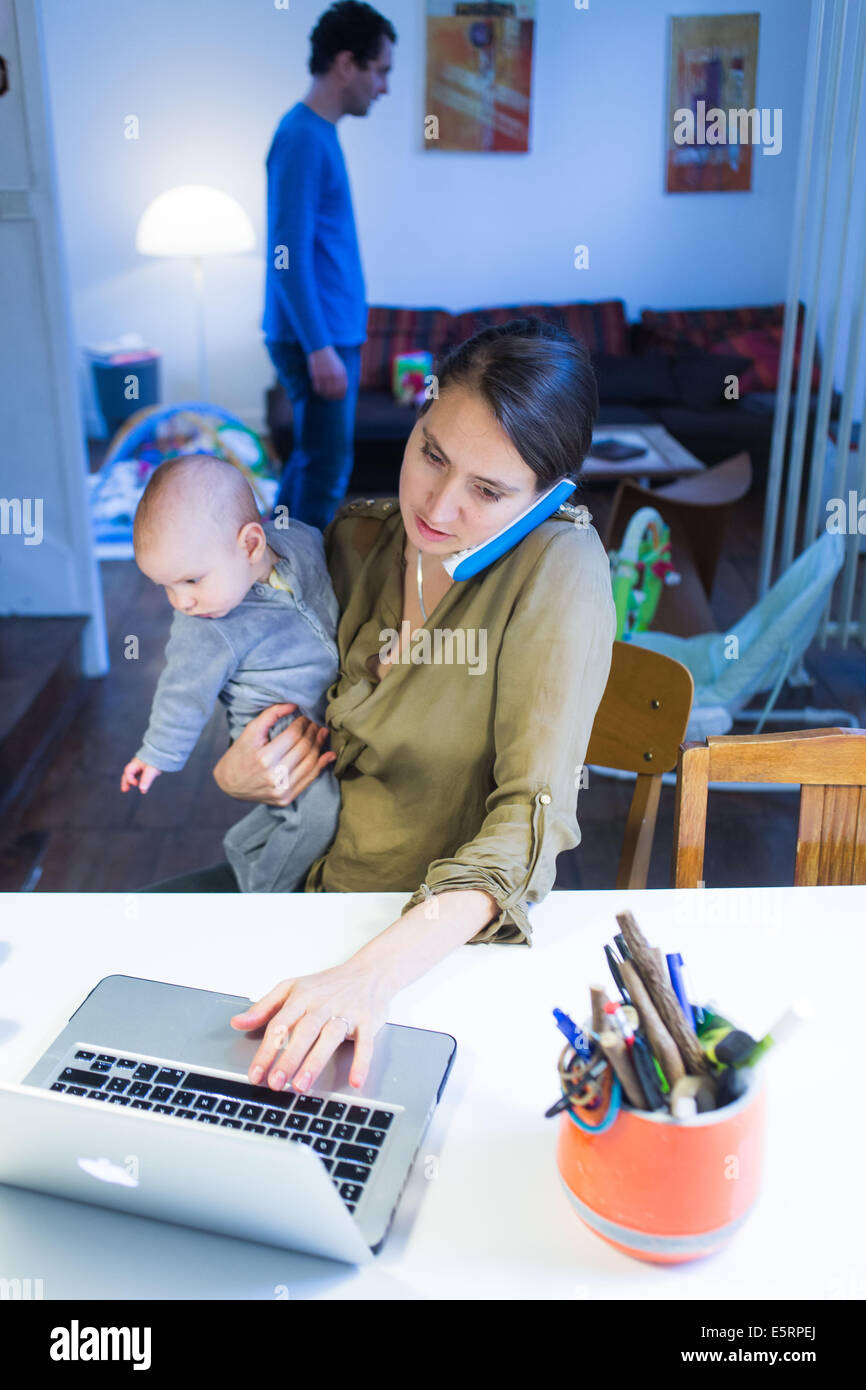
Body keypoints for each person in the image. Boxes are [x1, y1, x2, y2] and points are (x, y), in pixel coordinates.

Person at [145, 320, 617, 1110]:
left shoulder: (558, 571)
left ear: (549, 498)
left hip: (417, 943)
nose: (437, 504)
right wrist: (237, 770)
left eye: (489, 491)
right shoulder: (361, 536)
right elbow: (231, 648)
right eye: (432, 452)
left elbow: (530, 824)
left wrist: (365, 976)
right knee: (111, 972)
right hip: (300, 891)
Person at [122, 454, 341, 893]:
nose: (179, 601)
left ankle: (243, 845)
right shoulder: (204, 625)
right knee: (318, 813)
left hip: (320, 702)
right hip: (274, 724)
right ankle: (264, 896)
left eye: (190, 580)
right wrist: (156, 753)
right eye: (165, 586)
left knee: (297, 813)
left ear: (252, 545)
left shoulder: (301, 542)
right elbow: (181, 691)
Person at [262, 1, 396, 529]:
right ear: (347, 64)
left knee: (313, 462)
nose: (383, 86)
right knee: (326, 473)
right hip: (316, 339)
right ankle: (298, 591)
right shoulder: (301, 137)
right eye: (380, 70)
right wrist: (319, 347)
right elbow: (285, 254)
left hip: (328, 334)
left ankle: (272, 568)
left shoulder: (317, 133)